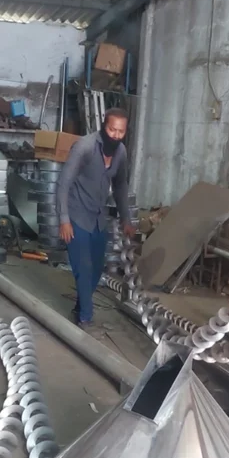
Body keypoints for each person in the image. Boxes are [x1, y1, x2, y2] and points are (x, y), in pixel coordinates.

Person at [58, 109, 134, 328]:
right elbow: (63, 183)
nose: (116, 135)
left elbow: (120, 186)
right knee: (83, 267)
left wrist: (126, 218)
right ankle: (85, 318)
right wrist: (64, 219)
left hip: (99, 217)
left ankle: (80, 306)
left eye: (121, 131)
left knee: (97, 267)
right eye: (112, 129)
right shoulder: (84, 147)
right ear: (103, 126)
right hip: (77, 215)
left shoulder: (121, 153)